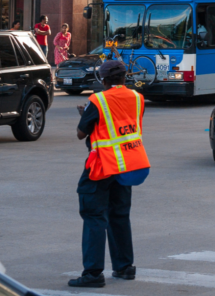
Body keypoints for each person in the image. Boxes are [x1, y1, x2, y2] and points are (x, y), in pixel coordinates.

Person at [68, 60, 150, 288]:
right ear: (125, 78)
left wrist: (84, 115)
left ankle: (93, 274)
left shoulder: (98, 100)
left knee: (94, 216)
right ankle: (125, 268)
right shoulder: (137, 98)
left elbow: (81, 133)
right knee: (120, 215)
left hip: (100, 166)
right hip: (126, 164)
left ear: (103, 81)